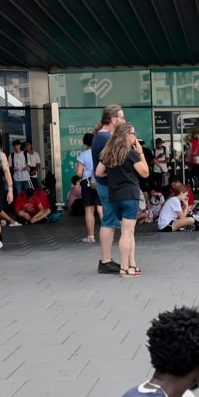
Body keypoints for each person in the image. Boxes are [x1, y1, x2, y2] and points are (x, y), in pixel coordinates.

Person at [96, 122, 148, 278]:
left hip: (114, 196)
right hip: (130, 195)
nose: (135, 137)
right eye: (133, 133)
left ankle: (132, 264)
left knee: (129, 231)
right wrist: (141, 153)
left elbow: (99, 172)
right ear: (126, 135)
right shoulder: (131, 154)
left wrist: (113, 176)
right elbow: (145, 173)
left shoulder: (109, 153)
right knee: (127, 232)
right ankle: (124, 268)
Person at [91, 105, 126, 274]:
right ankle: (105, 261)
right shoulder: (104, 138)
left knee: (109, 221)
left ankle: (107, 259)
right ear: (113, 119)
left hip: (106, 184)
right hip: (106, 185)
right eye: (121, 117)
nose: (123, 121)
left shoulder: (103, 137)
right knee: (109, 221)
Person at [75, 133, 102, 242]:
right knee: (101, 209)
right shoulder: (100, 154)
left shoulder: (83, 155)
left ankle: (91, 236)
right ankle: (107, 234)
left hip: (87, 184)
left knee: (89, 210)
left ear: (85, 143)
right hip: (100, 181)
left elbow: (78, 173)